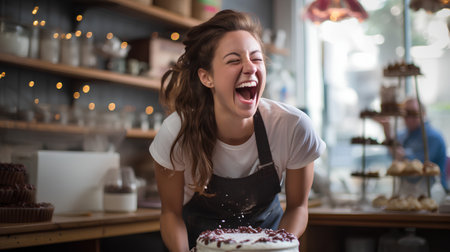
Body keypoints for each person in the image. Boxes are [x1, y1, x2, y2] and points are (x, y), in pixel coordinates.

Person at [149, 9, 326, 251]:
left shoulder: (293, 127)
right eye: (234, 60)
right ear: (206, 77)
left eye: (257, 58)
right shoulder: (176, 133)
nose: (250, 68)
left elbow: (298, 207)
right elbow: (171, 214)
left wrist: (275, 247)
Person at [374, 97, 448, 191]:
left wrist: (402, 155)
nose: (408, 118)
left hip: (432, 192)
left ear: (424, 114)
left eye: (413, 113)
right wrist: (386, 129)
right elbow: (393, 156)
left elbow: (417, 167)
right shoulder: (402, 135)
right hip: (407, 191)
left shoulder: (433, 138)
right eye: (405, 114)